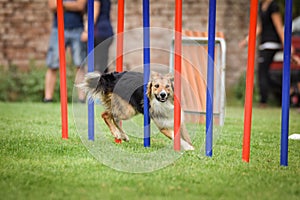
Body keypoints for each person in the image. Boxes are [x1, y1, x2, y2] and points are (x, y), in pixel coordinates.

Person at [239, 0, 299, 107]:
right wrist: (247, 40)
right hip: (264, 43)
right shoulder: (261, 5)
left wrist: (287, 45)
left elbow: (279, 26)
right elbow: (259, 28)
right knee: (265, 73)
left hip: (272, 43)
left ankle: (263, 101)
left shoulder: (273, 6)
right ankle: (289, 90)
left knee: (262, 72)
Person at [44, 0, 87, 102]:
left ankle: (82, 99)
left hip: (77, 28)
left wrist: (61, 4)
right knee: (52, 64)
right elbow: (52, 6)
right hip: (58, 28)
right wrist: (72, 5)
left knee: (80, 65)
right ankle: (47, 98)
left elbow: (80, 6)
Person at [81, 0, 114, 73]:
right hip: (106, 31)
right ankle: (103, 83)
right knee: (102, 64)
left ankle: (98, 83)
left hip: (98, 32)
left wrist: (87, 31)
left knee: (96, 65)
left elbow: (93, 14)